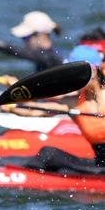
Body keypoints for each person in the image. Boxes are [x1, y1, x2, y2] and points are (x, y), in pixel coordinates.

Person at [22, 44, 105, 175]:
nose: (73, 78)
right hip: (100, 165)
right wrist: (11, 106)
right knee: (48, 153)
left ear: (94, 70)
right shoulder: (75, 103)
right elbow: (36, 110)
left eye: (77, 73)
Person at [0, 11, 64, 71]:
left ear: (40, 34)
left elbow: (11, 50)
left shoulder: (49, 58)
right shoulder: (46, 55)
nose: (24, 42)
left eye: (26, 37)